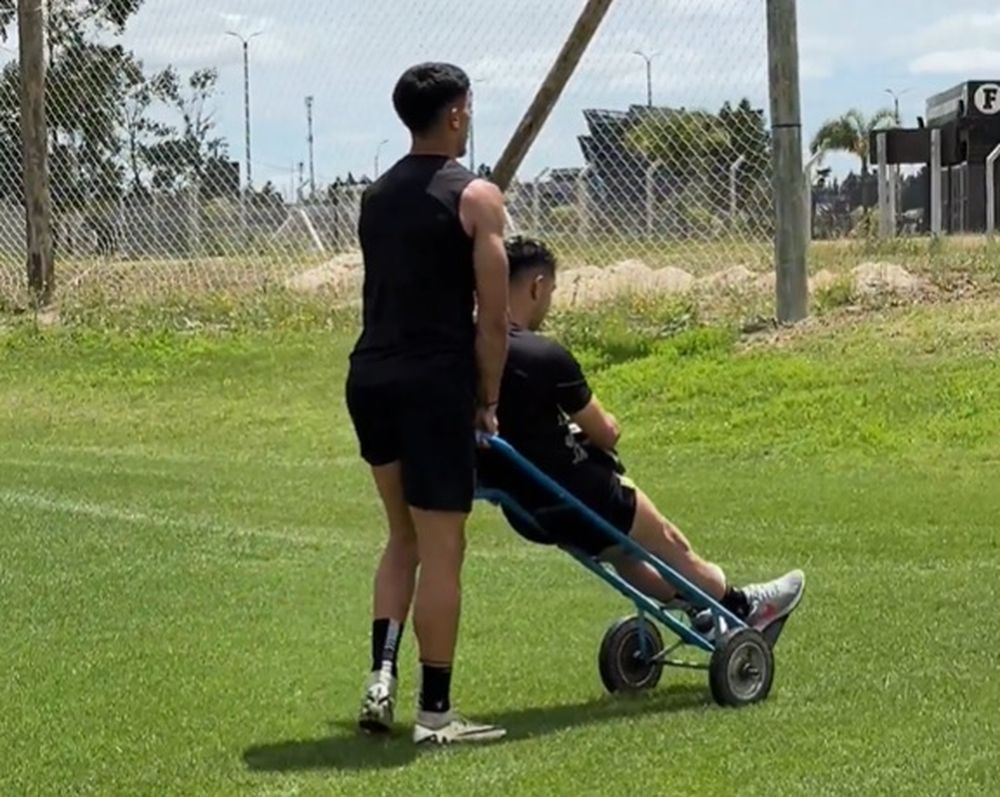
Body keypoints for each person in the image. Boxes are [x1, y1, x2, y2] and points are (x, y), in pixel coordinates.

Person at [477, 236, 805, 631]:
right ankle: (743, 607)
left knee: (624, 554)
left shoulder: (464, 350)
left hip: (529, 511)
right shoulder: (541, 355)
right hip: (582, 495)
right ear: (537, 286)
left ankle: (700, 611)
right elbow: (607, 432)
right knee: (665, 539)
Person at [345, 62, 509, 745]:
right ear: (455, 115)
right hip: (433, 383)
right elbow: (494, 320)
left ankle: (379, 677)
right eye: (467, 107)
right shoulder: (477, 197)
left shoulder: (375, 197)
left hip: (370, 377)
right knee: (443, 547)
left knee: (401, 536)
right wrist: (489, 398)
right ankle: (435, 713)